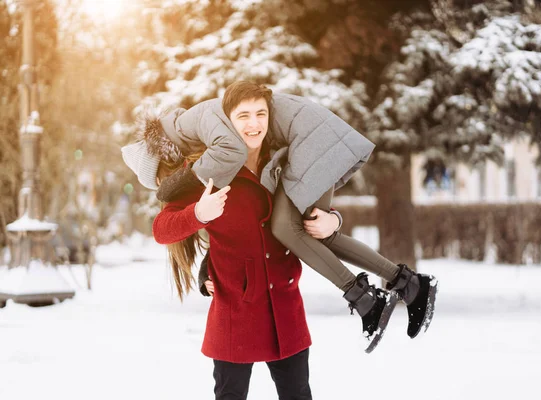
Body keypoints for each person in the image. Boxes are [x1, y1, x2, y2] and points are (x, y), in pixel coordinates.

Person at [131, 81, 437, 345]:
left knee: (286, 228)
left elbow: (231, 160)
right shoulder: (205, 134)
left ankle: (365, 298)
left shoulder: (201, 122)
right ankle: (408, 283)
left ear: (164, 155)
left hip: (313, 140)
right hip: (314, 139)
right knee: (313, 230)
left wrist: (175, 186)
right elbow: (236, 227)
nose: (177, 172)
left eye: (166, 175)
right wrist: (206, 270)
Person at [122, 131, 314, 400]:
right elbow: (162, 230)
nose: (253, 124)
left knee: (298, 394)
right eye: (244, 116)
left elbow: (313, 204)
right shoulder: (206, 174)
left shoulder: (281, 159)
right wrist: (199, 214)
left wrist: (334, 221)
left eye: (260, 114)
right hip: (236, 312)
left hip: (284, 307)